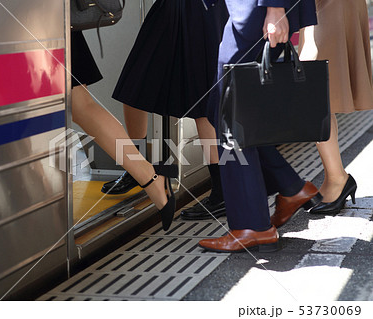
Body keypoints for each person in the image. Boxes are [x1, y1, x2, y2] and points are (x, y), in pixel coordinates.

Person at [199, 0, 322, 253]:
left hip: (256, 10)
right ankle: (290, 187)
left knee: (229, 111)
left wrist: (275, 8)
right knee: (221, 108)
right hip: (255, 10)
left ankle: (252, 226)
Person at [102, 0, 229, 220]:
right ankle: (137, 166)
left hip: (202, 10)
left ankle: (221, 191)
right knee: (134, 86)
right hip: (172, 8)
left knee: (203, 101)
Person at [70, 31, 177, 231]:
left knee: (79, 104)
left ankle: (148, 176)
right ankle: (149, 176)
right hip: (46, 20)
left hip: (31, 22)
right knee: (80, 105)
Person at [299, 0, 373, 214]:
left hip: (328, 5)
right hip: (321, 6)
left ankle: (337, 178)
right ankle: (335, 177)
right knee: (317, 89)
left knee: (316, 88)